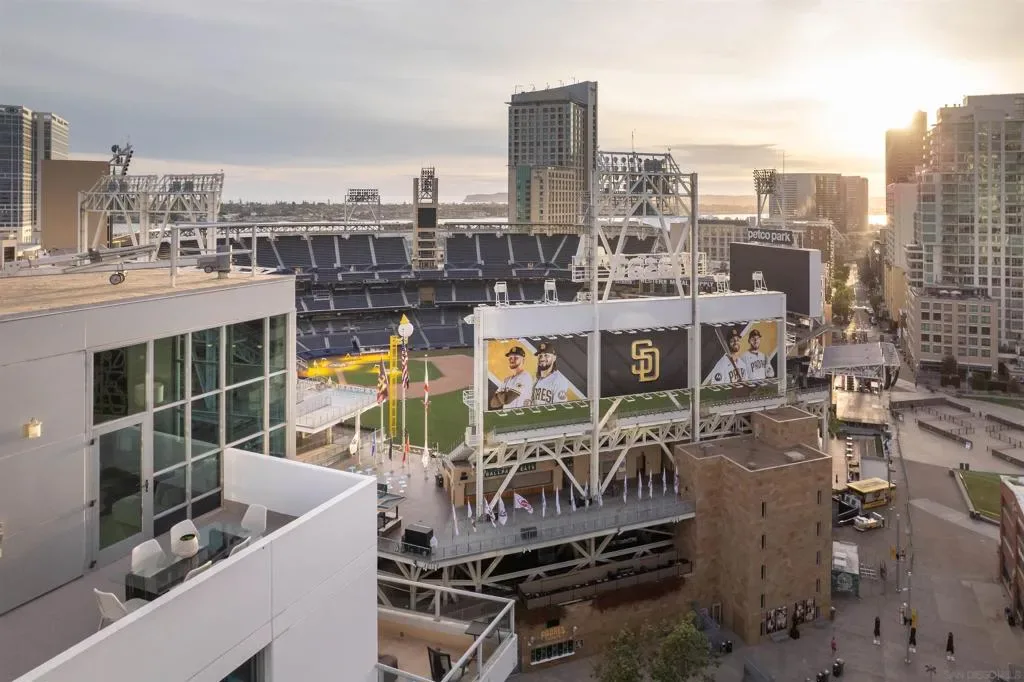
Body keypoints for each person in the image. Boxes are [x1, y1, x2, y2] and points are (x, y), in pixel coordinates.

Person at [490, 345, 533, 410]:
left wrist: (500, 393)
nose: (512, 359)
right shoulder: (507, 380)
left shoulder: (525, 377)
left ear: (523, 360)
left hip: (520, 413)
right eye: (510, 357)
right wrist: (504, 395)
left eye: (516, 357)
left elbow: (506, 400)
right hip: (508, 414)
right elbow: (493, 403)